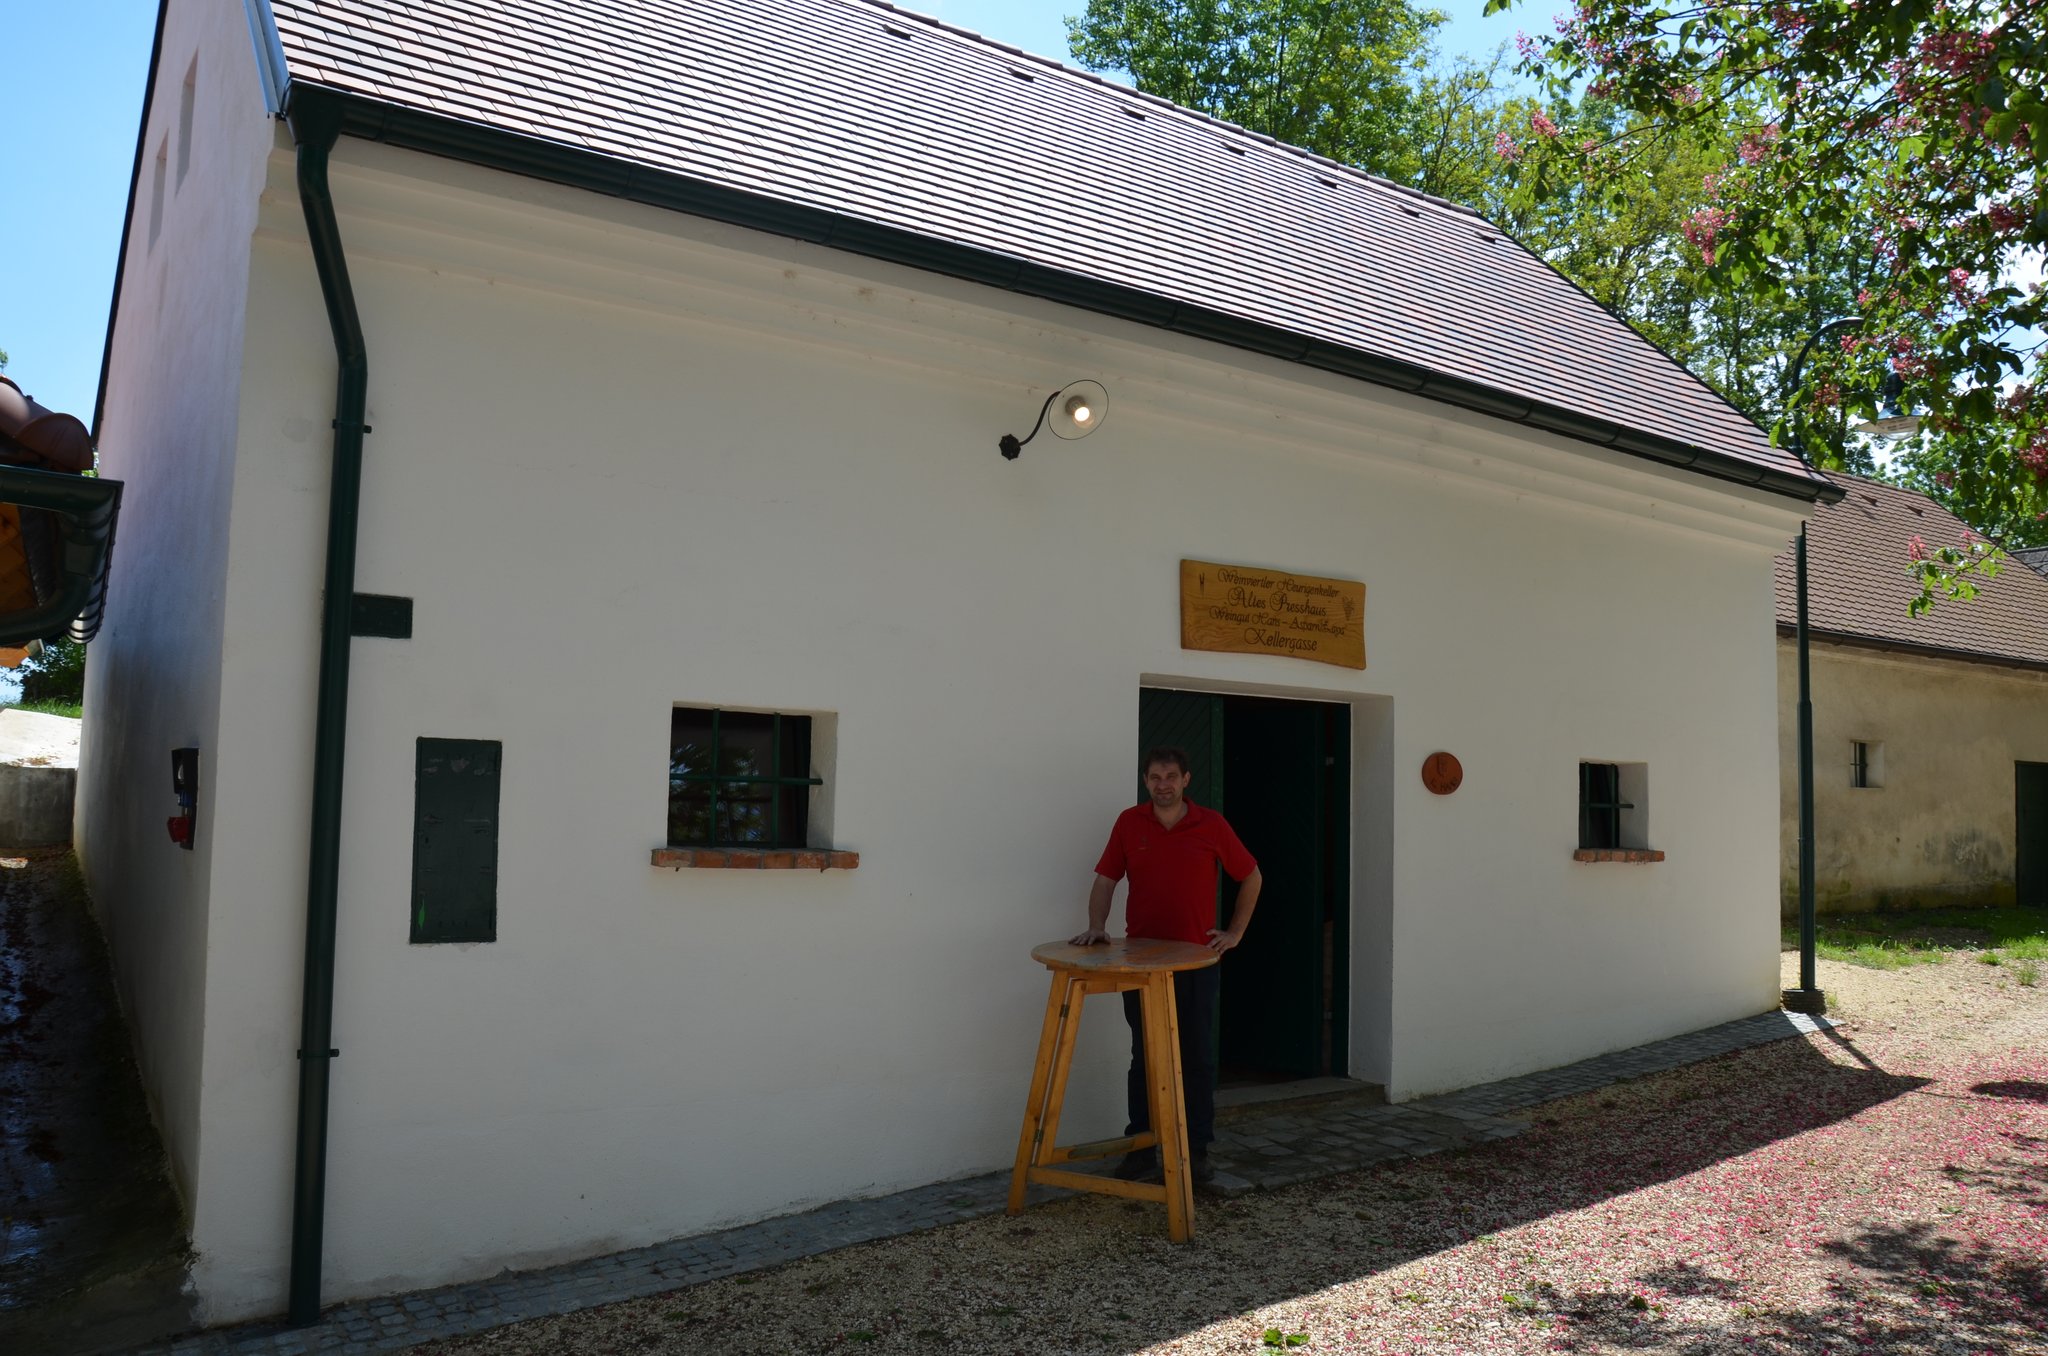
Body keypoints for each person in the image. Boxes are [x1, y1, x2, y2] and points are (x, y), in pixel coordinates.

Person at [1072, 746, 1262, 1184]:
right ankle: (1140, 1150)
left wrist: (1235, 932)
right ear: (1146, 781)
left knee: (1195, 1057)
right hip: (1141, 964)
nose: (1163, 785)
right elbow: (1105, 880)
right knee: (1144, 1056)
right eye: (1155, 777)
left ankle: (1196, 1153)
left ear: (1186, 780)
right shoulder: (1129, 822)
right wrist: (1096, 925)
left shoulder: (1211, 824)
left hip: (1196, 963)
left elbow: (1251, 875)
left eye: (1171, 776)